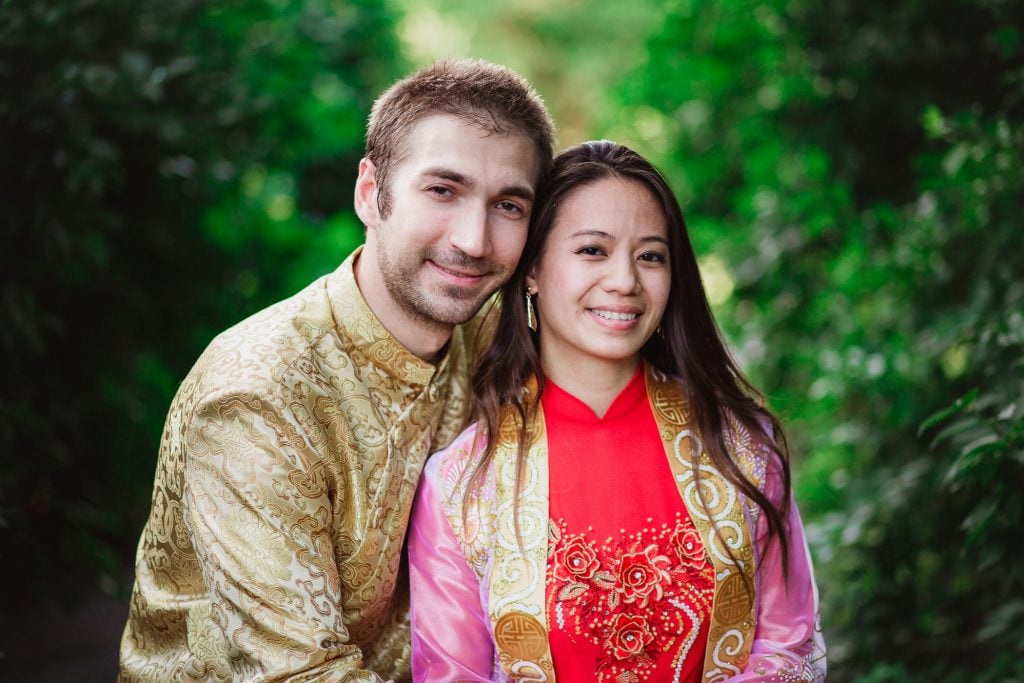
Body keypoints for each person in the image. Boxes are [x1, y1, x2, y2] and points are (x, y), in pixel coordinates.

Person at [118, 58, 555, 682]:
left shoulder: (493, 336)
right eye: (442, 190)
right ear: (370, 194)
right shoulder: (257, 398)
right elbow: (300, 675)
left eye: (508, 205)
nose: (474, 240)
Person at [408, 141, 827, 682]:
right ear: (531, 269)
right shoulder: (463, 485)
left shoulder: (740, 446)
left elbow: (789, 651)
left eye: (650, 255)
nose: (625, 281)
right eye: (592, 251)